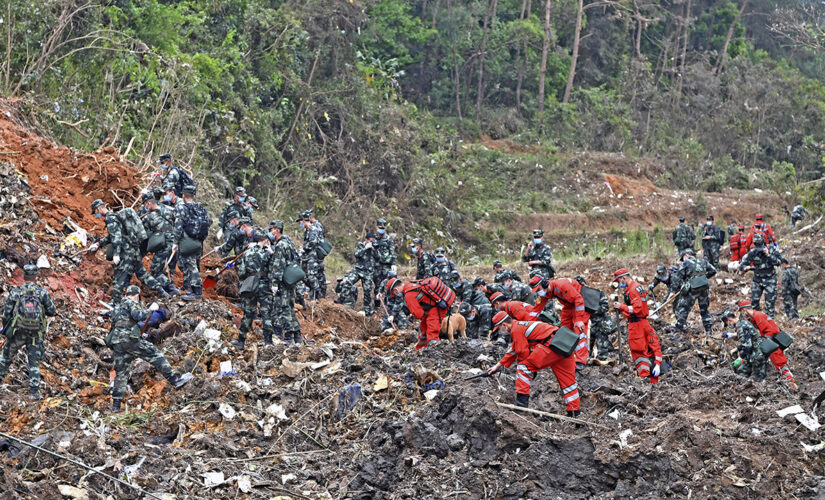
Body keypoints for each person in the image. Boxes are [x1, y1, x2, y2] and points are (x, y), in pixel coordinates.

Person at [107, 285, 192, 412]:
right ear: (136, 295)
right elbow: (139, 316)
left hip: (117, 342)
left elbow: (113, 325)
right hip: (130, 340)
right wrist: (150, 309)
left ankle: (116, 405)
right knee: (155, 355)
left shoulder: (117, 307)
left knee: (121, 373)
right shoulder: (131, 302)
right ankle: (174, 379)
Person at [485, 313, 580, 416]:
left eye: (498, 328)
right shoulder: (520, 326)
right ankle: (574, 413)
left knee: (523, 370)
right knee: (568, 383)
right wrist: (498, 366)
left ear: (504, 325)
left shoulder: (516, 329)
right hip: (564, 345)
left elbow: (522, 352)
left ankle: (521, 407)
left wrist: (529, 369)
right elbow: (513, 349)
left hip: (551, 345)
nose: (500, 331)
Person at [89, 199, 170, 303]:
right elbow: (112, 236)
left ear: (99, 208)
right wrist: (99, 244)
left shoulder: (110, 219)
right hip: (134, 249)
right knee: (142, 274)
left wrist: (117, 254)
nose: (96, 214)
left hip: (125, 252)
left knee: (119, 277)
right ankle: (163, 292)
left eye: (96, 212)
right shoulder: (116, 216)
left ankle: (116, 304)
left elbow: (116, 238)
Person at [0, 264, 57, 399]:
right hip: (35, 334)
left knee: (5, 358)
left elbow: (6, 314)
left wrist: (7, 329)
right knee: (34, 362)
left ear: (24, 276)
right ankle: (34, 392)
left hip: (17, 332)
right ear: (36, 277)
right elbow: (52, 311)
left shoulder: (16, 291)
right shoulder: (42, 292)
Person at [612, 268, 663, 384]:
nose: (619, 284)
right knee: (650, 347)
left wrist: (621, 307)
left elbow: (636, 309)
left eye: (619, 281)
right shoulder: (638, 287)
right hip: (643, 323)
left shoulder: (632, 290)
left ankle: (644, 378)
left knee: (639, 351)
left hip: (637, 326)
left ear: (623, 278)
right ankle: (652, 380)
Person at [231, 225, 275, 349]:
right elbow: (273, 270)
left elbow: (242, 272)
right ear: (266, 240)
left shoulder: (248, 252)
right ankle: (268, 342)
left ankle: (241, 341)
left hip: (251, 284)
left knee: (248, 313)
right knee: (266, 313)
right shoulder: (269, 253)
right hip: (265, 285)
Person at [737, 301, 796, 390]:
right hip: (771, 342)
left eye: (742, 311)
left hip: (772, 344)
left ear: (745, 310)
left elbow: (772, 330)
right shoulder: (755, 318)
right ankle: (787, 381)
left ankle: (791, 383)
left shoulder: (758, 316)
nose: (743, 314)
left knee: (779, 363)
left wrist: (764, 341)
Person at [533, 277, 590, 369]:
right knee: (564, 330)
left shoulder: (562, 285)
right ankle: (565, 356)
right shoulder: (546, 292)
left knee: (579, 330)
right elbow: (536, 309)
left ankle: (581, 360)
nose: (538, 293)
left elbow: (578, 299)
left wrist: (579, 320)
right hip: (568, 306)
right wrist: (529, 322)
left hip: (580, 304)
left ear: (544, 284)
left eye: (538, 290)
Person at [388, 276, 454, 349]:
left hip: (436, 309)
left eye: (394, 293)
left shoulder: (408, 295)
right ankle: (420, 349)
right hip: (433, 307)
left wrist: (412, 310)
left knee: (432, 333)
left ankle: (435, 352)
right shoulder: (411, 283)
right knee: (423, 330)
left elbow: (419, 315)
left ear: (396, 290)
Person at [268, 220, 303, 344]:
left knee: (284, 308)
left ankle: (288, 337)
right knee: (289, 307)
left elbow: (278, 266)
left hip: (283, 282)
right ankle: (297, 336)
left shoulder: (280, 245)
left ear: (277, 230)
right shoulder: (288, 242)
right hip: (290, 281)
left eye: (271, 229)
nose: (269, 232)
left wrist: (274, 283)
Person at [173, 185, 211, 300]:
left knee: (191, 266)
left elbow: (178, 226)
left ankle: (197, 293)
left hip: (187, 241)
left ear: (183, 195)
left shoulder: (182, 208)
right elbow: (209, 222)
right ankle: (190, 289)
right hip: (198, 242)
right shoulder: (200, 208)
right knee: (196, 265)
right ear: (193, 196)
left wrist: (175, 242)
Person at [140, 192, 182, 296]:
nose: (145, 206)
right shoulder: (169, 209)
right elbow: (180, 221)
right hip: (176, 245)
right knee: (170, 269)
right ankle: (171, 291)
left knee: (155, 271)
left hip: (164, 246)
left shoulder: (148, 217)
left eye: (145, 204)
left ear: (149, 202)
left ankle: (171, 289)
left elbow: (141, 233)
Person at [740, 233, 787, 316]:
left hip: (770, 279)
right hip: (758, 279)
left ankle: (769, 322)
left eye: (760, 245)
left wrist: (769, 255)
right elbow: (742, 265)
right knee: (754, 302)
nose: (758, 247)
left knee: (770, 303)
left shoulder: (772, 249)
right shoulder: (753, 252)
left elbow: (779, 262)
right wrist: (746, 268)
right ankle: (757, 320)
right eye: (756, 245)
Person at [673, 248, 716, 336]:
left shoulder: (686, 262)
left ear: (686, 255)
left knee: (684, 309)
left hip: (692, 289)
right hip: (704, 288)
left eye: (683, 257)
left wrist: (680, 286)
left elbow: (678, 277)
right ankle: (708, 330)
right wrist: (703, 278)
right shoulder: (703, 261)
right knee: (704, 310)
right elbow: (713, 270)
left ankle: (678, 330)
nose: (683, 260)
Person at [575, 275, 616, 365]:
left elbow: (605, 307)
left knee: (602, 350)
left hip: (600, 324)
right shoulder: (575, 296)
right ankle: (585, 361)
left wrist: (592, 311)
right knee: (585, 347)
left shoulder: (596, 294)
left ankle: (603, 366)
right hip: (586, 325)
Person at [720, 311, 767, 381]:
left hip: (757, 353)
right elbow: (749, 340)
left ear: (729, 320)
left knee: (755, 375)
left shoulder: (740, 327)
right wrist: (737, 349)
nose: (729, 325)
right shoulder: (743, 322)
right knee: (744, 372)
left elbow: (747, 346)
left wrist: (740, 358)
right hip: (757, 350)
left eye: (728, 323)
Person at [298, 211, 324, 300]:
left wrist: (304, 248)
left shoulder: (313, 229)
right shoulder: (307, 230)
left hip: (312, 256)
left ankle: (317, 294)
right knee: (303, 276)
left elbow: (313, 242)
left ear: (304, 221)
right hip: (306, 256)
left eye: (300, 221)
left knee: (311, 276)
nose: (300, 223)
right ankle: (313, 290)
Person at [372, 219, 396, 310]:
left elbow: (392, 252)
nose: (381, 229)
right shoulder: (373, 238)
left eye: (383, 227)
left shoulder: (388, 239)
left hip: (386, 266)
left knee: (386, 286)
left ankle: (386, 306)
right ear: (376, 227)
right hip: (376, 266)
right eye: (380, 227)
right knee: (377, 286)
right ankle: (377, 305)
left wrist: (393, 264)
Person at [353, 233, 376, 316]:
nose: (372, 242)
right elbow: (356, 254)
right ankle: (343, 302)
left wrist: (374, 250)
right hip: (359, 270)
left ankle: (368, 312)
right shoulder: (360, 245)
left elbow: (379, 258)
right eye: (371, 240)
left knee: (367, 293)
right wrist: (365, 248)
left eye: (374, 240)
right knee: (348, 284)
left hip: (368, 273)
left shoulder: (374, 247)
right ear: (366, 240)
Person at [306, 210, 328, 297]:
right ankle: (318, 292)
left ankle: (321, 292)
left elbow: (316, 241)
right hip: (315, 253)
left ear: (310, 217)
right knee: (317, 272)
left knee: (319, 273)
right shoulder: (314, 226)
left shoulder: (316, 226)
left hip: (317, 253)